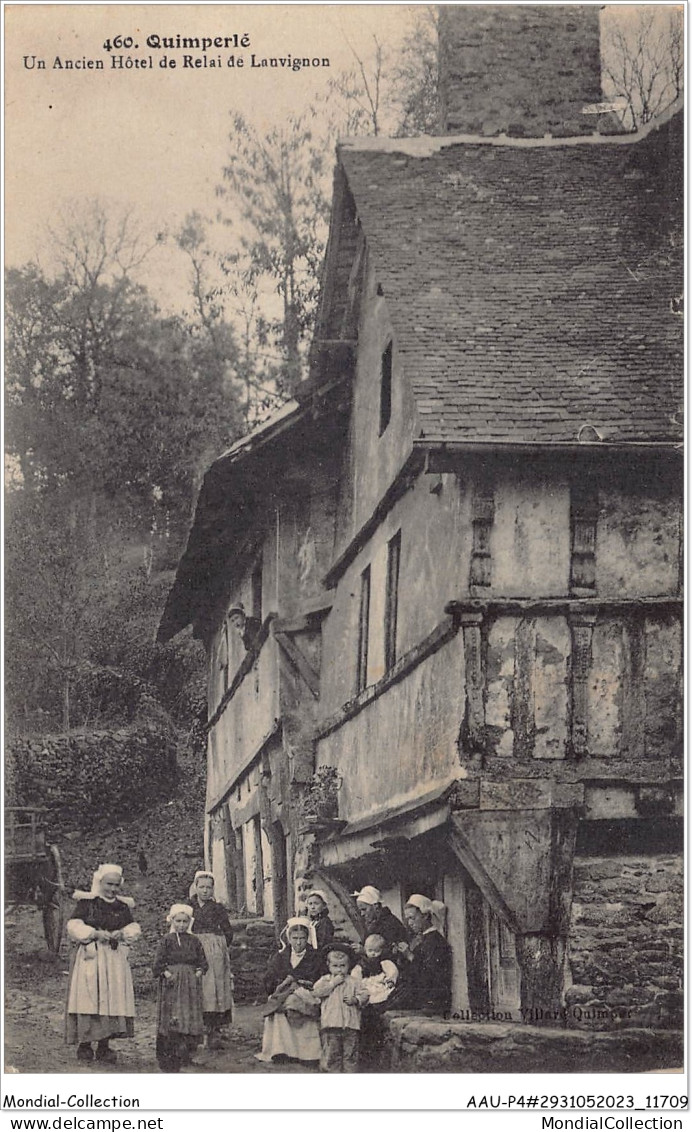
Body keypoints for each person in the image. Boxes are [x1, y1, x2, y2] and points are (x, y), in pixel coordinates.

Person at [65, 863, 141, 1064]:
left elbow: (133, 926)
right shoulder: (88, 903)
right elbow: (73, 925)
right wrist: (94, 933)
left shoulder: (122, 906)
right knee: (90, 997)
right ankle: (85, 1045)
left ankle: (104, 1046)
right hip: (93, 956)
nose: (113, 889)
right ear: (100, 882)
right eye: (109, 884)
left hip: (114, 959)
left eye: (116, 885)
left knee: (111, 999)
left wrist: (122, 933)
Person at [255, 916, 323, 1065]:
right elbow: (269, 978)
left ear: (308, 938)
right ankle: (281, 1050)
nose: (298, 942)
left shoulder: (315, 957)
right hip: (284, 992)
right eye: (295, 938)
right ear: (289, 938)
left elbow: (319, 979)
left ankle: (307, 1052)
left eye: (302, 938)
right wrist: (280, 986)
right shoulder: (281, 956)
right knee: (278, 1005)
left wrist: (300, 985)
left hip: (306, 993)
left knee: (297, 1002)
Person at [153, 904, 208, 1073]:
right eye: (178, 921)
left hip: (190, 985)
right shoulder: (167, 940)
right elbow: (158, 963)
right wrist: (167, 973)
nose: (182, 925)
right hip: (172, 983)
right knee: (173, 1016)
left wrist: (198, 972)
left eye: (185, 921)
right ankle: (169, 1054)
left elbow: (202, 961)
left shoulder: (194, 940)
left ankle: (186, 1052)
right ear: (172, 921)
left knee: (188, 1015)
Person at [188, 870, 235, 1049]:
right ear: (195, 887)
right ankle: (194, 1030)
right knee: (197, 987)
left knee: (215, 989)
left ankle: (214, 1030)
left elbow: (227, 930)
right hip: (194, 949)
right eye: (202, 887)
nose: (205, 891)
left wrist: (220, 946)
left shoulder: (218, 908)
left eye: (209, 887)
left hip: (214, 953)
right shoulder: (189, 906)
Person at [385, 894, 452, 1016]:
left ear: (425, 916)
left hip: (430, 1000)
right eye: (407, 919)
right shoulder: (421, 939)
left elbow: (429, 976)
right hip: (419, 995)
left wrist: (410, 955)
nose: (409, 923)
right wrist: (401, 956)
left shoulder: (436, 941)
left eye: (412, 918)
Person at [313, 944, 368, 1073]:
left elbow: (365, 994)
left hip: (350, 1026)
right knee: (333, 1055)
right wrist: (333, 984)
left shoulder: (354, 981)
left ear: (349, 965)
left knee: (350, 1055)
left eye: (343, 966)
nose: (339, 970)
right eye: (335, 966)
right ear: (328, 965)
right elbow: (316, 993)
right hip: (331, 1025)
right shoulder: (325, 980)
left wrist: (356, 999)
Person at [352, 934, 399, 1005]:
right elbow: (356, 974)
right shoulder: (362, 963)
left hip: (380, 985)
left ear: (382, 951)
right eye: (370, 951)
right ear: (365, 949)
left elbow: (392, 971)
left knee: (386, 993)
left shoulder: (384, 962)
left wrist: (390, 981)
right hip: (367, 986)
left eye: (377, 951)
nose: (373, 954)